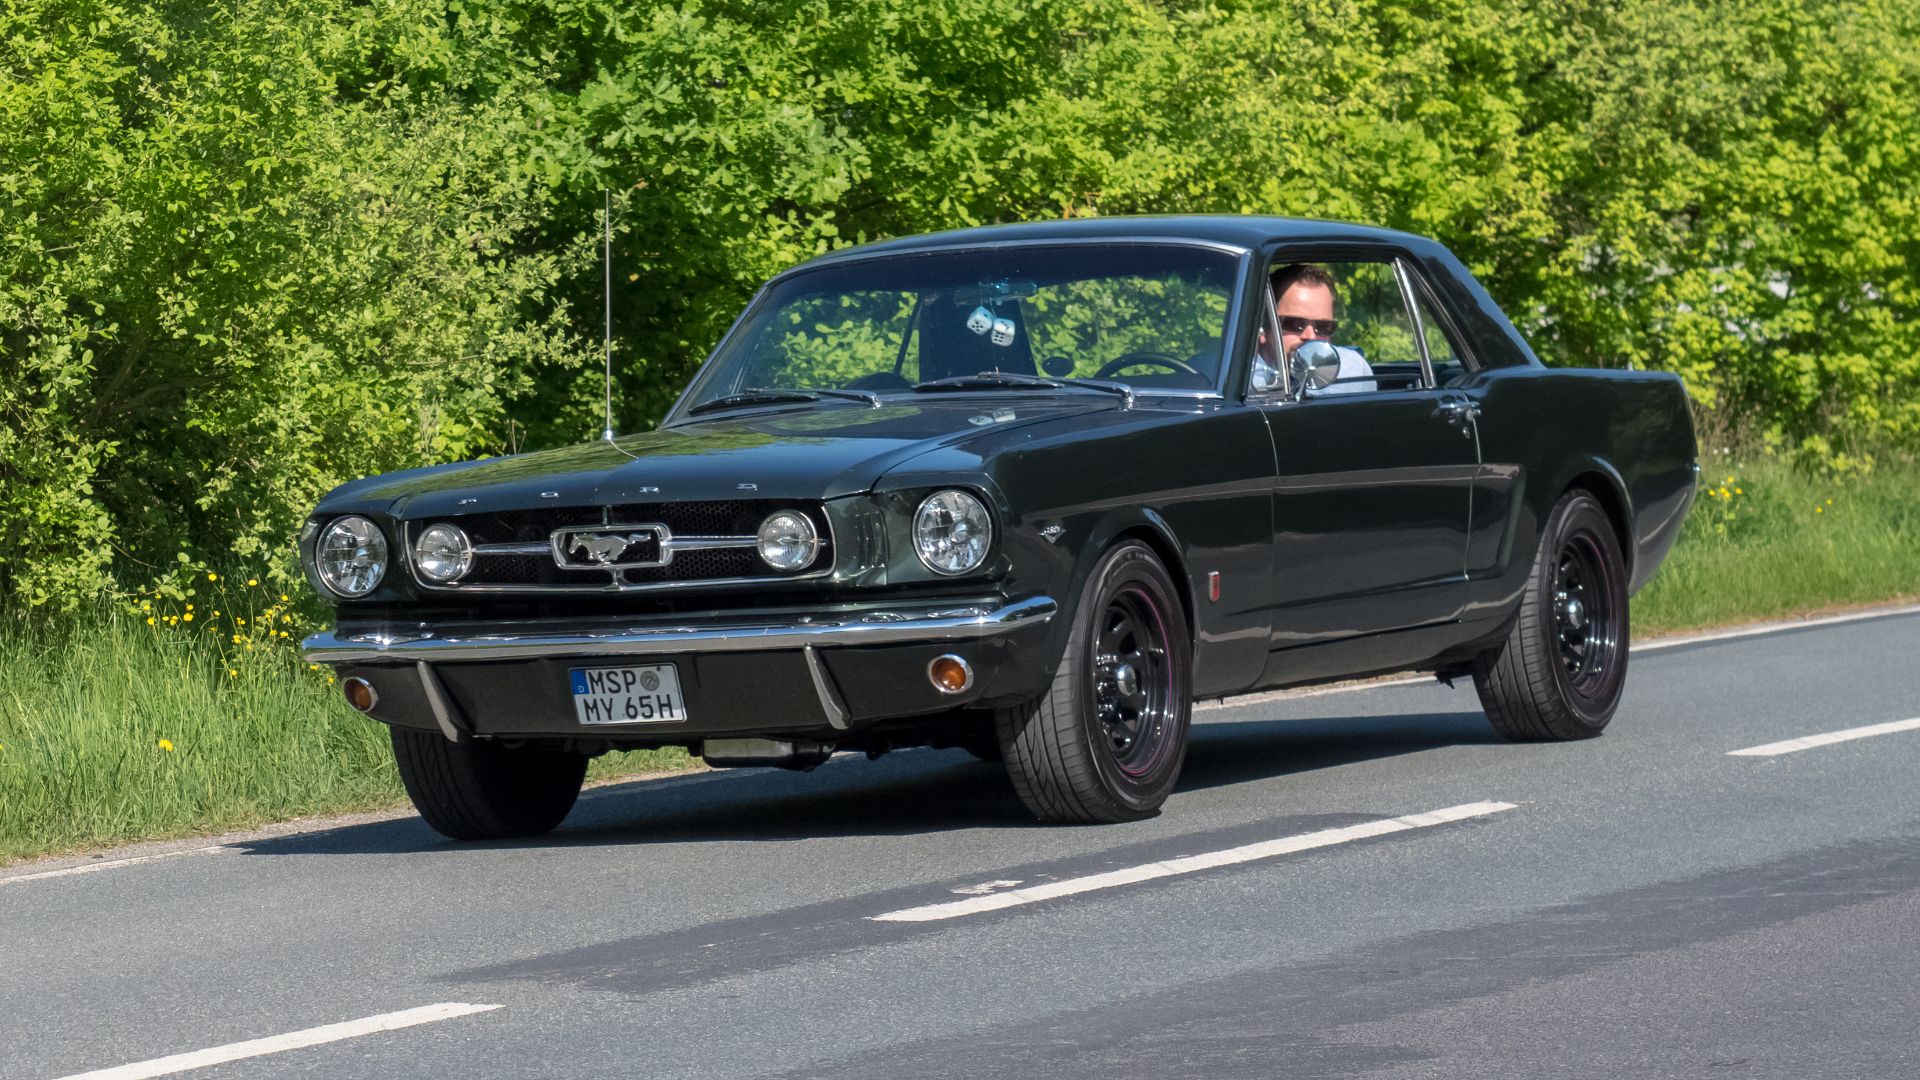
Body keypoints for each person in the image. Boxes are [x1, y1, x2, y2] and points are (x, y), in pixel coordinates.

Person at [1268, 262, 1375, 395]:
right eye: (1294, 324)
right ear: (1264, 324)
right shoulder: (1240, 379)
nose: (1310, 336)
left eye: (1323, 327)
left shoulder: (1354, 370)